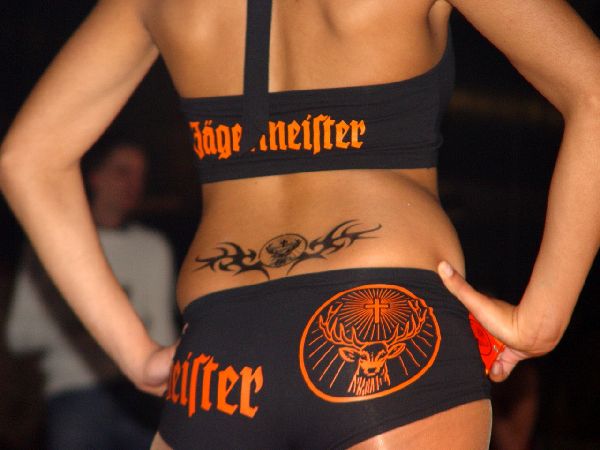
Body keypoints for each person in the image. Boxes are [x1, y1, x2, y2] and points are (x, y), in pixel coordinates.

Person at [0, 1, 598, 449]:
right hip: (385, 327)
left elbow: (26, 159)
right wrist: (541, 318)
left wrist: (135, 355)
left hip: (219, 358)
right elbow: (593, 90)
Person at [5, 141, 178, 449]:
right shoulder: (52, 244)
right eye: (123, 171)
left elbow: (163, 330)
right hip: (75, 390)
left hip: (141, 398)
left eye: (140, 175)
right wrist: (87, 322)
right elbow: (19, 335)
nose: (134, 183)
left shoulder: (153, 247)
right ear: (94, 176)